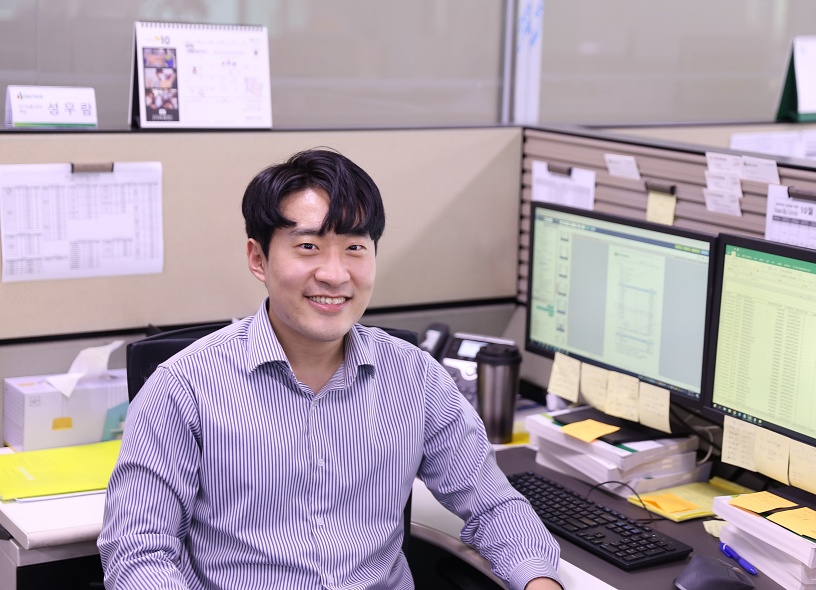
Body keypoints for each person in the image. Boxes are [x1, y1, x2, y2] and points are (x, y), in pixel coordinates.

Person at [98, 148, 563, 590]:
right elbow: (139, 550)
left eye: (355, 247)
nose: (335, 274)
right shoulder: (183, 387)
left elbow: (494, 506)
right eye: (308, 246)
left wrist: (538, 579)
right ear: (258, 259)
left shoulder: (415, 378)